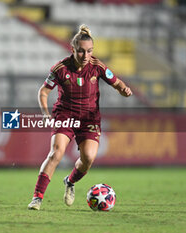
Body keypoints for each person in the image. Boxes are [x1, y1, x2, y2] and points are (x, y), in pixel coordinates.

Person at [27, 24, 132, 210]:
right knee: (56, 153)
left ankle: (69, 181)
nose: (85, 56)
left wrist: (124, 89)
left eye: (89, 51)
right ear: (73, 49)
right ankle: (37, 198)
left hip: (89, 119)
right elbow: (43, 92)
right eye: (81, 51)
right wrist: (45, 114)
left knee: (88, 158)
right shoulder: (60, 68)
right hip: (65, 115)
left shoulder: (97, 66)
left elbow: (117, 83)